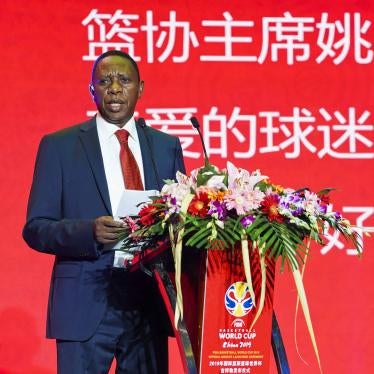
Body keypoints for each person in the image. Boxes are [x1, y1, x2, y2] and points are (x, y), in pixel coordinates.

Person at [23, 50, 185, 373]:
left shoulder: (166, 147)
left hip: (147, 304)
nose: (114, 88)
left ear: (140, 88)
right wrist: (89, 233)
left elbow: (179, 220)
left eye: (123, 80)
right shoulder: (60, 146)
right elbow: (36, 227)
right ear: (91, 90)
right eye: (105, 80)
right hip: (84, 302)